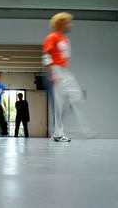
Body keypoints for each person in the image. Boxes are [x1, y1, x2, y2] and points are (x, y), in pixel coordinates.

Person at [42, 12, 86, 142]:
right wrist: (52, 73)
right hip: (56, 70)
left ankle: (69, 127)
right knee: (59, 104)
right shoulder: (52, 37)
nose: (70, 25)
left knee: (77, 95)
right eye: (68, 22)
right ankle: (58, 133)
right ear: (61, 24)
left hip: (65, 71)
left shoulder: (65, 40)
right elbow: (46, 56)